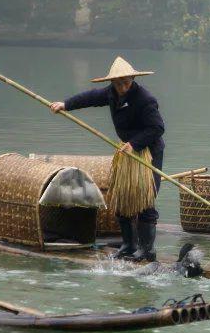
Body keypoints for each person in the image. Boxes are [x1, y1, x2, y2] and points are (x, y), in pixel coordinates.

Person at [50, 56, 165, 261]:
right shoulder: (111, 93)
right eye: (118, 83)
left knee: (145, 200)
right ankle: (129, 245)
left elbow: (157, 128)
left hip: (147, 153)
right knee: (121, 198)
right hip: (126, 153)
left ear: (132, 79)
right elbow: (90, 98)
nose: (122, 87)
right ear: (112, 82)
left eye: (126, 83)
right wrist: (65, 104)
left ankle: (147, 250)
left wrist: (134, 144)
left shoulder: (145, 99)